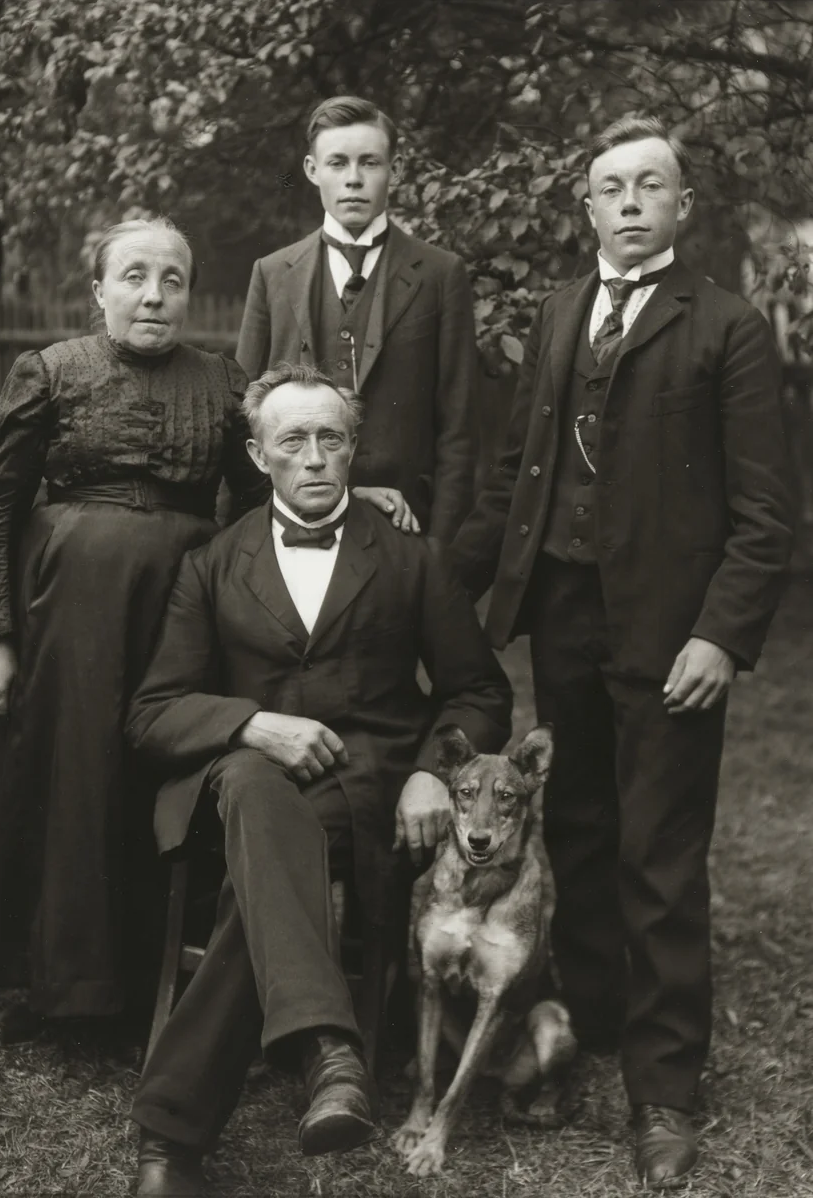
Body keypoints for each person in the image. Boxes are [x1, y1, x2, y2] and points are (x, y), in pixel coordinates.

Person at [449, 116, 794, 1187]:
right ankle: (589, 1018)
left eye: (651, 185)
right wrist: (439, 583)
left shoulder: (727, 326)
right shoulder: (558, 312)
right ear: (587, 208)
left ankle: (662, 1089)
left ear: (682, 208)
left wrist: (718, 636)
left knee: (658, 851)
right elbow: (515, 473)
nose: (630, 200)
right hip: (564, 613)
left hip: (669, 634)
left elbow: (765, 513)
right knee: (582, 830)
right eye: (611, 186)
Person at [124, 362, 512, 1196]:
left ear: (352, 450)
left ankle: (169, 1140)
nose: (313, 456)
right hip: (239, 780)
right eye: (291, 440)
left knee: (260, 884)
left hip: (367, 789)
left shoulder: (410, 560)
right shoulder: (213, 564)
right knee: (261, 793)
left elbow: (479, 688)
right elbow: (154, 710)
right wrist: (249, 723)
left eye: (329, 438)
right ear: (260, 455)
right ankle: (332, 1054)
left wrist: (428, 773)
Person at [0, 218, 272, 1042]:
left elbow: (258, 506)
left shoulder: (224, 383)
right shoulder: (49, 372)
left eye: (173, 280)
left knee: (155, 774)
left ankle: (144, 981)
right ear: (98, 291)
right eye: (134, 277)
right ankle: (58, 984)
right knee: (71, 774)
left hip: (180, 607)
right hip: (67, 613)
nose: (154, 295)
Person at [236, 96, 478, 541]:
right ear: (312, 170)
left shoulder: (442, 274)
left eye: (369, 163)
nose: (353, 179)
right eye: (337, 163)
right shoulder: (272, 273)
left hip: (406, 528)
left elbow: (459, 427)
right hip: (293, 525)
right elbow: (244, 414)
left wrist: (442, 549)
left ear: (397, 170)